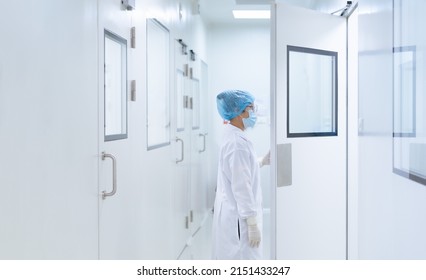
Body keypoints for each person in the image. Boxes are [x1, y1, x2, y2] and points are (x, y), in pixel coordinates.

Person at [212, 89, 270, 260]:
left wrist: (260, 161)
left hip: (233, 214)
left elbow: (238, 172)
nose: (254, 112)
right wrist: (252, 223)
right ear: (238, 112)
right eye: (251, 108)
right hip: (240, 221)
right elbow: (241, 186)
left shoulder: (233, 135)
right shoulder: (238, 143)